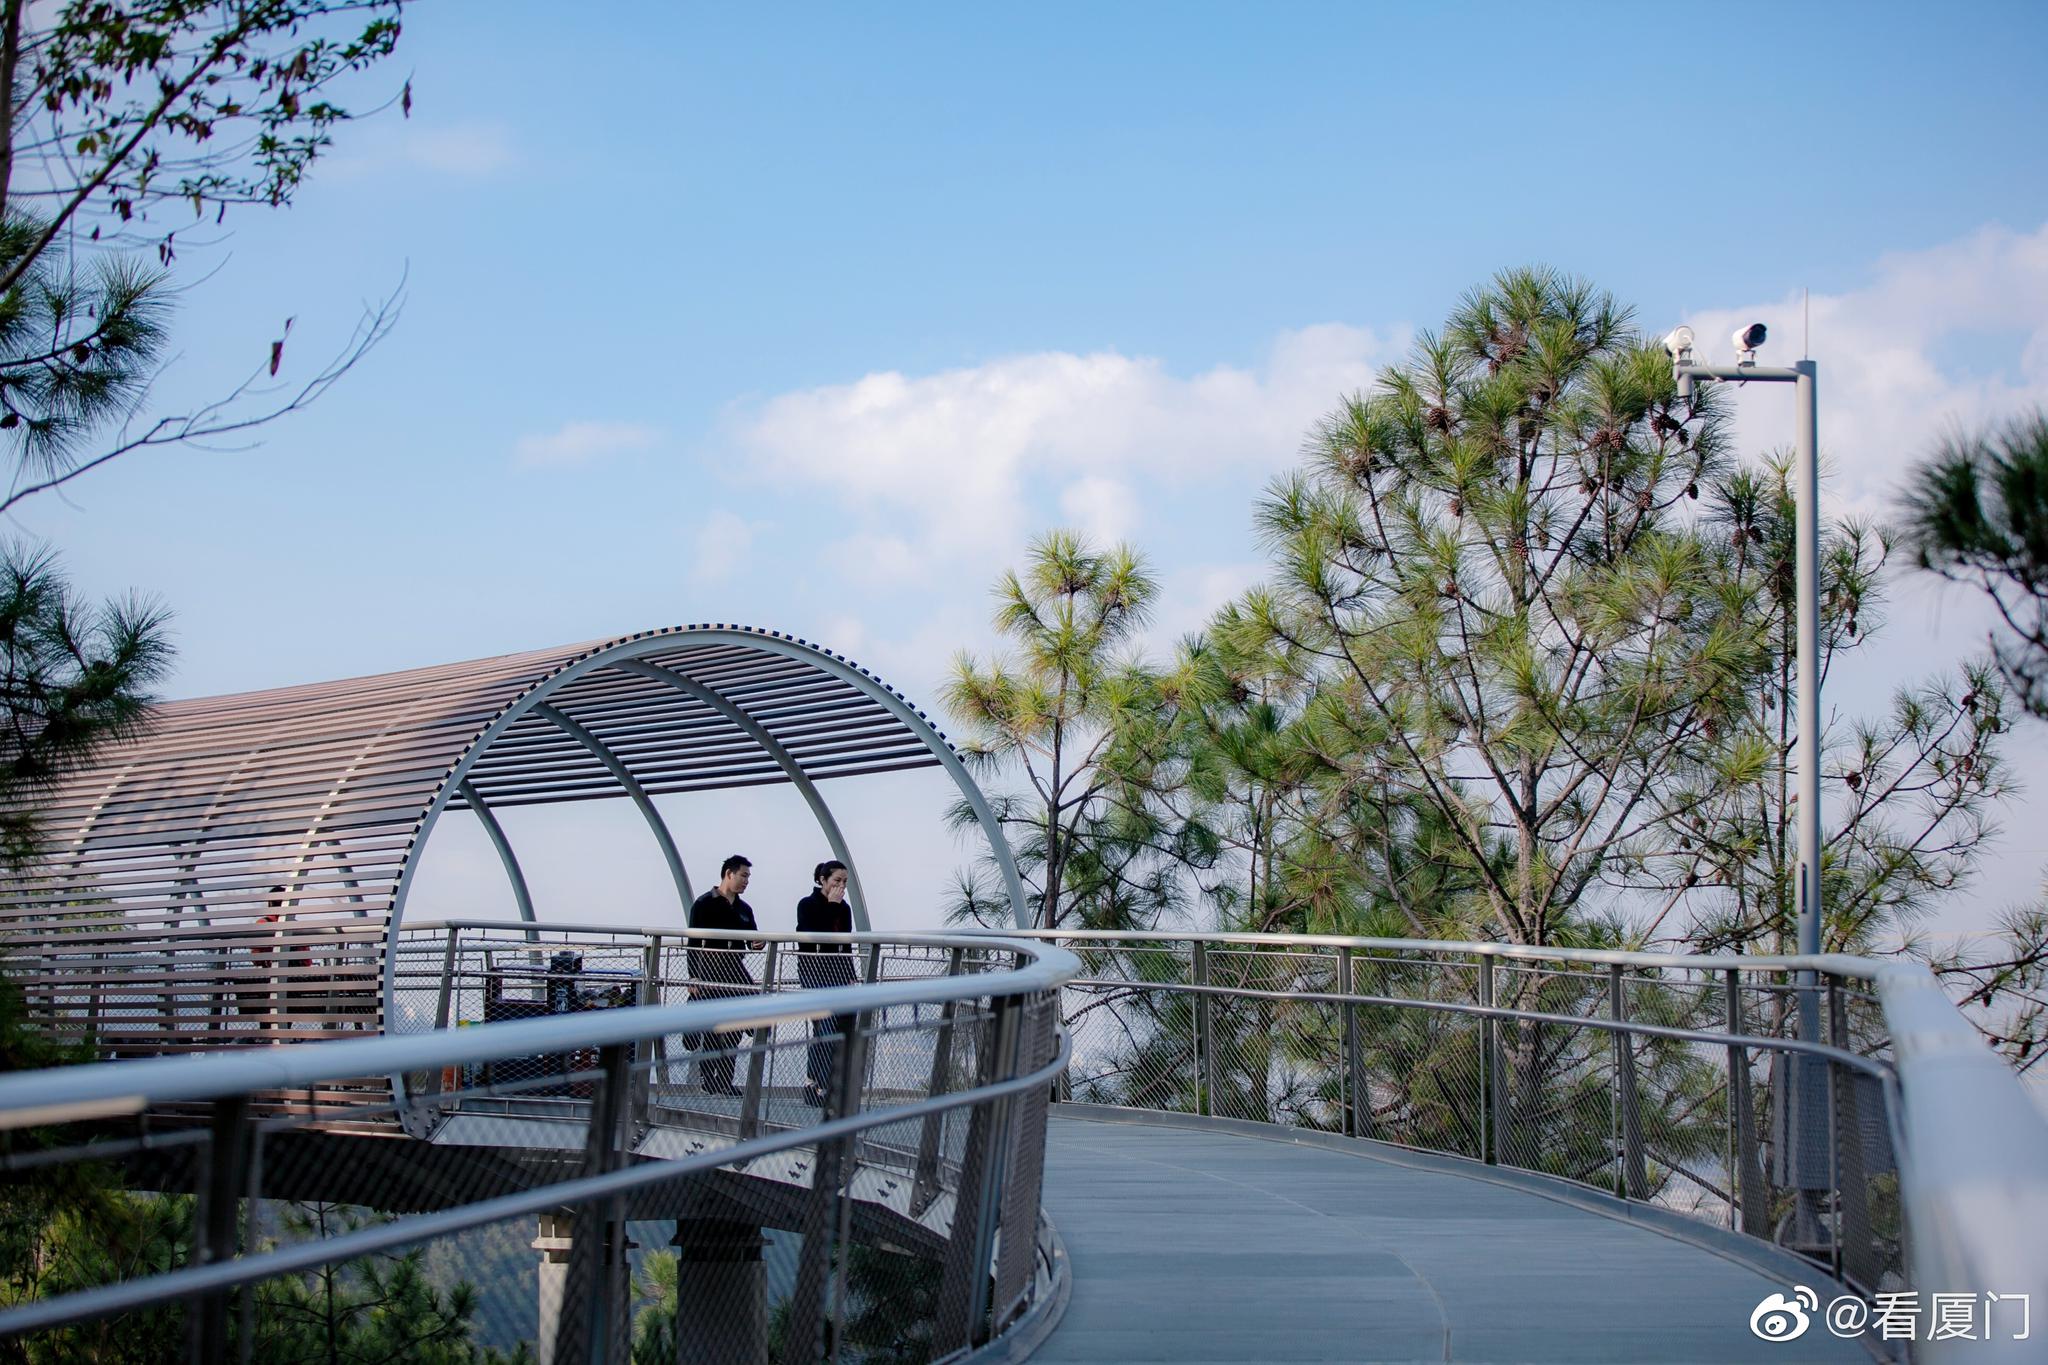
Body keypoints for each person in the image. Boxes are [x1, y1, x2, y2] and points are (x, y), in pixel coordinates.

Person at [687, 854, 757, 1095]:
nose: (746, 881)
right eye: (743, 875)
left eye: (748, 876)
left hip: (735, 973)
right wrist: (693, 976)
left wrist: (757, 944)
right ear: (729, 873)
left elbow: (752, 939)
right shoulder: (704, 903)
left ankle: (724, 1081)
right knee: (714, 1029)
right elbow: (693, 942)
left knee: (734, 1030)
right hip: (709, 972)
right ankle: (710, 1078)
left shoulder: (744, 908)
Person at [794, 860, 858, 1107]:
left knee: (833, 1028)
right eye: (837, 881)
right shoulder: (807, 905)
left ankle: (812, 1083)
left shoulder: (845, 909)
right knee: (826, 1025)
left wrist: (850, 973)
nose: (841, 887)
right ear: (823, 880)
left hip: (838, 973)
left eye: (845, 882)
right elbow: (812, 937)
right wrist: (832, 906)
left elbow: (845, 944)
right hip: (814, 972)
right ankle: (823, 1085)